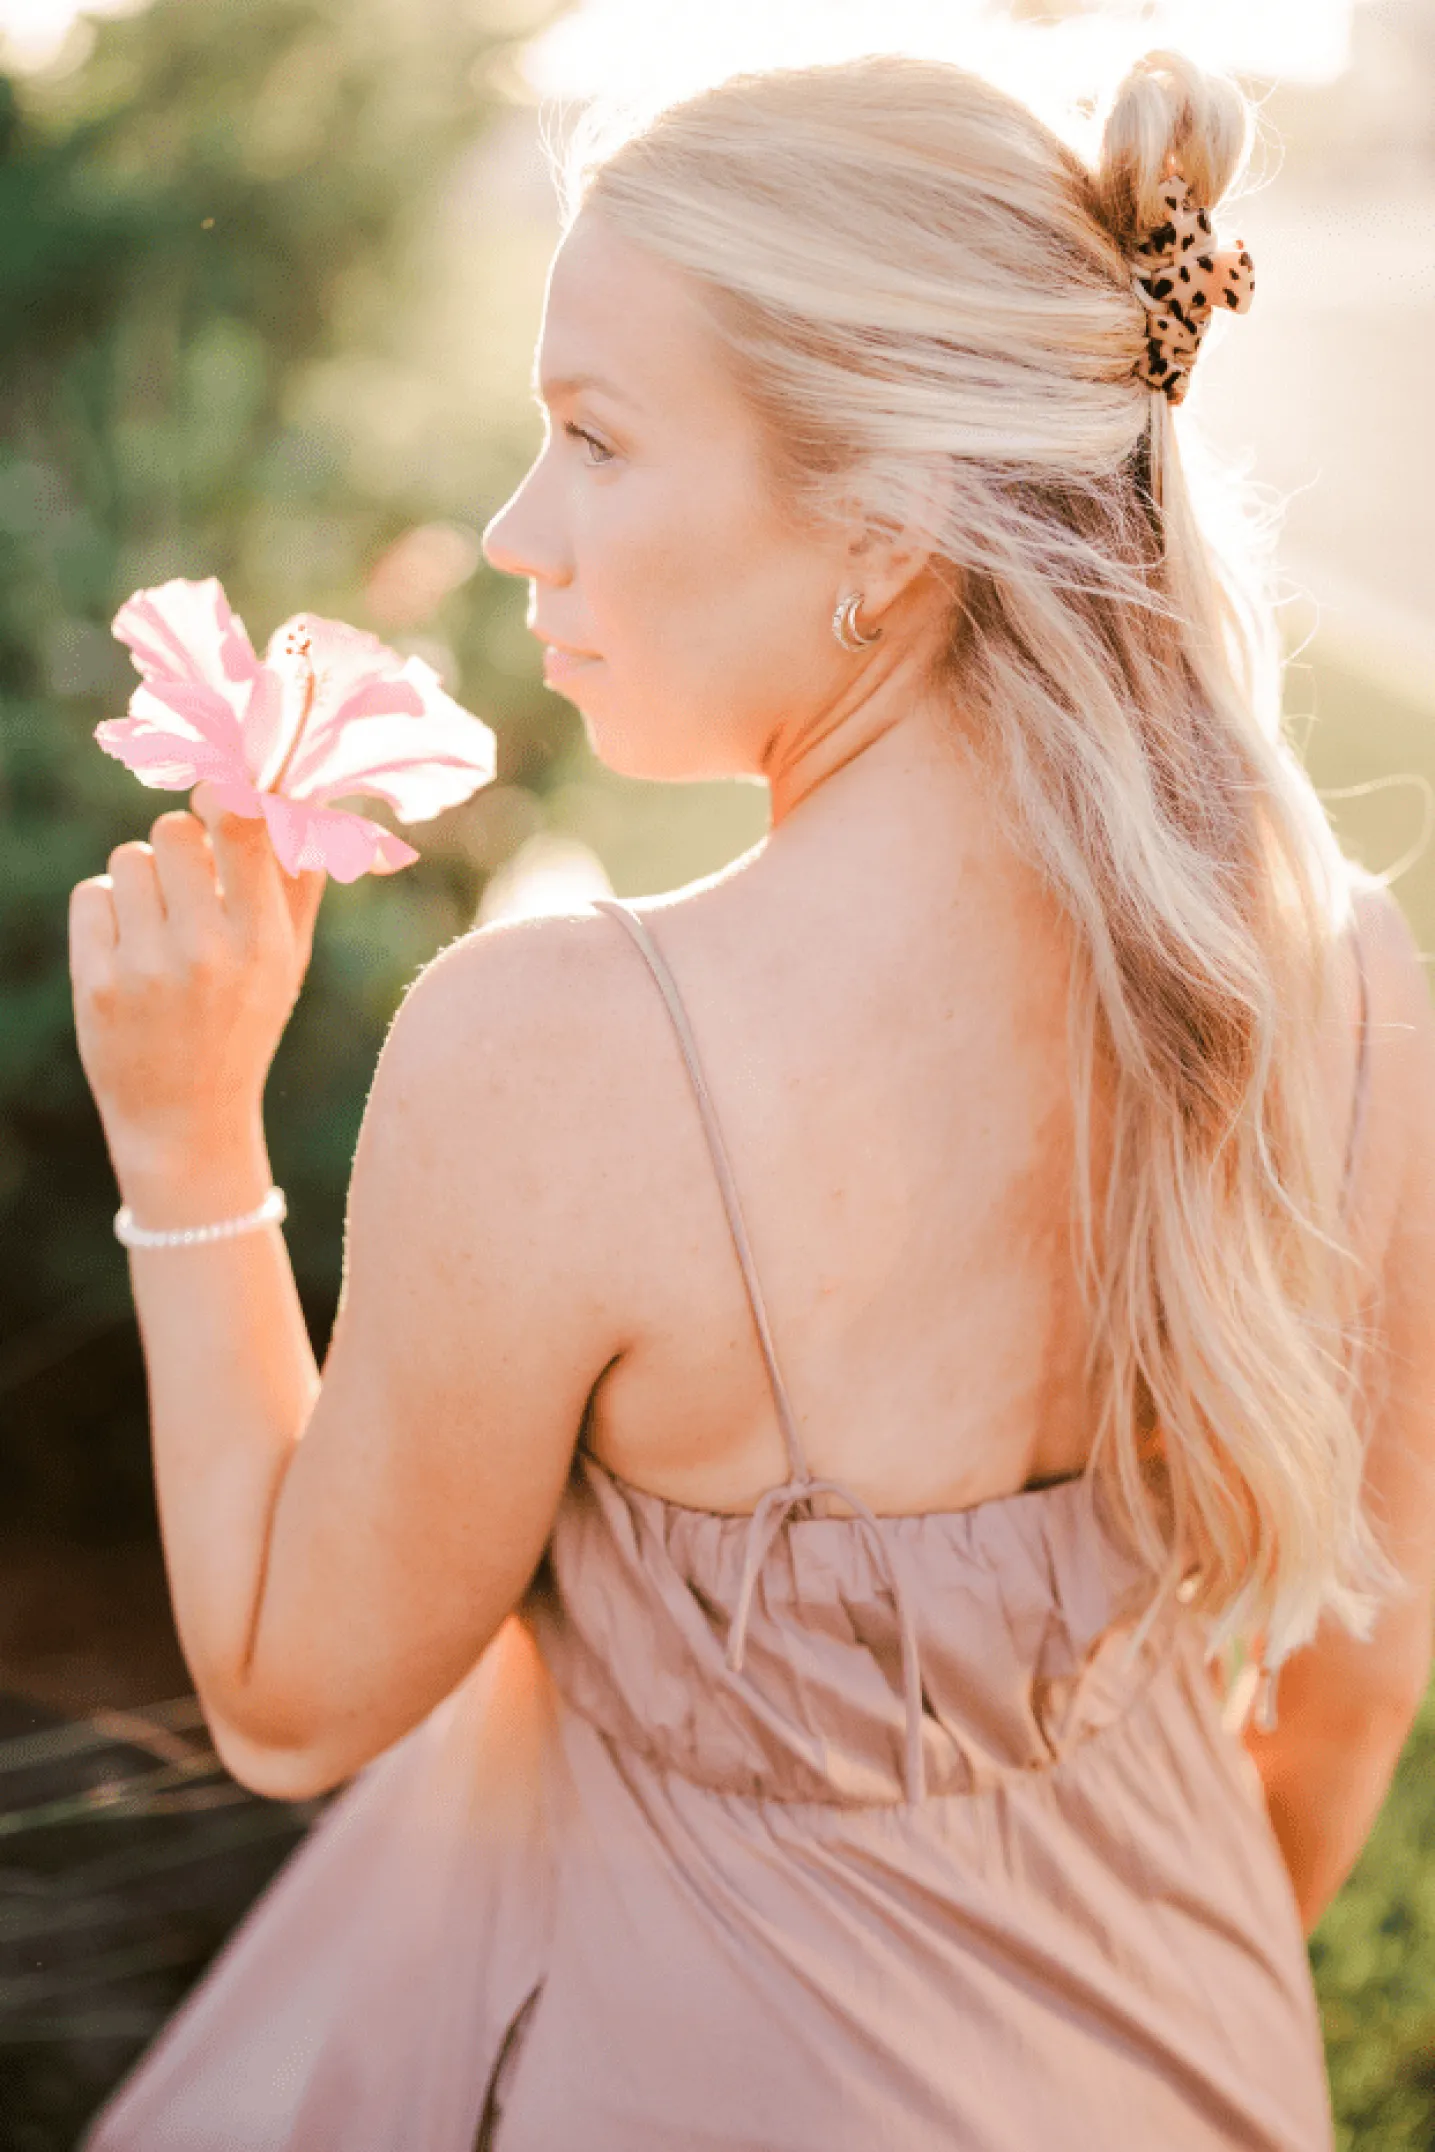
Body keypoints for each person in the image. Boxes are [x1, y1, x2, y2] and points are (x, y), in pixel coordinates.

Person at [71, 43, 1435, 2152]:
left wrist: (181, 1138)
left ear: (886, 522)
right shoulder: (1340, 983)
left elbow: (287, 1684)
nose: (522, 531)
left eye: (595, 439)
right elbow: (1353, 1683)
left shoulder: (562, 1052)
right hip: (1193, 2046)